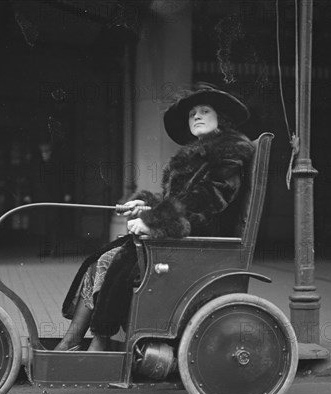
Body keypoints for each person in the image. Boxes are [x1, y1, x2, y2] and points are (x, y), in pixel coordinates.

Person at [54, 85, 255, 351]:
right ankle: (76, 340)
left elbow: (207, 204)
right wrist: (145, 206)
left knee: (117, 261)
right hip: (185, 236)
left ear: (222, 119)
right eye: (192, 113)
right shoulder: (197, 155)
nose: (196, 116)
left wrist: (153, 221)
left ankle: (98, 340)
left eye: (205, 111)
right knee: (103, 260)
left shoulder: (228, 155)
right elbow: (179, 202)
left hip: (202, 241)